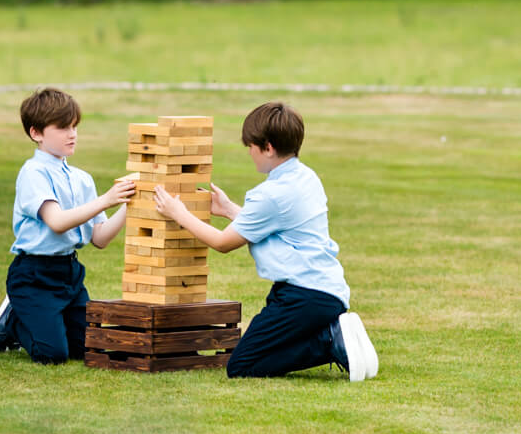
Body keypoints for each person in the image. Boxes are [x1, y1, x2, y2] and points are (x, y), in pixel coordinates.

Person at [152, 100, 378, 380]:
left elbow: (223, 243)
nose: (250, 153)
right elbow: (275, 226)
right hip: (326, 292)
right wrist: (228, 209)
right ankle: (331, 331)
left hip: (302, 296)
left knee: (242, 365)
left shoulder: (269, 194)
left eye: (251, 147)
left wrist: (179, 213)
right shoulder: (306, 177)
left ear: (268, 148)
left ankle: (329, 340)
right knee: (262, 351)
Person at [0, 87, 136, 363]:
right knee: (52, 355)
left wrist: (129, 203)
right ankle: (14, 321)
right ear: (36, 133)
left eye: (74, 126)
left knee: (88, 350)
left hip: (69, 274)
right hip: (34, 275)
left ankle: (44, 319)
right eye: (63, 127)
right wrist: (106, 200)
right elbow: (57, 222)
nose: (72, 134)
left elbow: (99, 238)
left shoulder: (82, 179)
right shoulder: (32, 173)